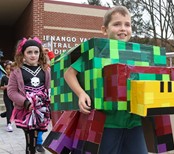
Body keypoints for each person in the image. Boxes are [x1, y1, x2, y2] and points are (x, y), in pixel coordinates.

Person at [64, 6, 148, 154]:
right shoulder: (97, 52)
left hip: (135, 121)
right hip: (106, 123)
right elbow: (69, 73)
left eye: (127, 24)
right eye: (116, 24)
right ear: (104, 29)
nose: (123, 29)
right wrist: (81, 94)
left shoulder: (138, 55)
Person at [7, 37, 51, 154]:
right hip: (26, 110)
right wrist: (26, 102)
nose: (33, 55)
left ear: (40, 53)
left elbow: (49, 88)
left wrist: (48, 101)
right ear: (23, 54)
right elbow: (11, 91)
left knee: (35, 137)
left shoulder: (45, 70)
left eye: (36, 52)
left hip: (40, 110)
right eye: (29, 52)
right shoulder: (17, 71)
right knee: (30, 139)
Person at [36, 47, 55, 153]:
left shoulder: (47, 69)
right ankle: (37, 142)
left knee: (44, 122)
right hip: (35, 99)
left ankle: (38, 143)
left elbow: (56, 66)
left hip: (48, 98)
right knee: (37, 122)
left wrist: (51, 54)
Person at [0, 60, 14, 132]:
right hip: (6, 96)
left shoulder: (14, 77)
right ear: (5, 70)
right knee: (9, 109)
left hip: (13, 97)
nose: (8, 70)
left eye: (10, 69)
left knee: (12, 109)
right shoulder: (4, 78)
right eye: (7, 69)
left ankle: (3, 114)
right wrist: (6, 87)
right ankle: (9, 124)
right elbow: (1, 87)